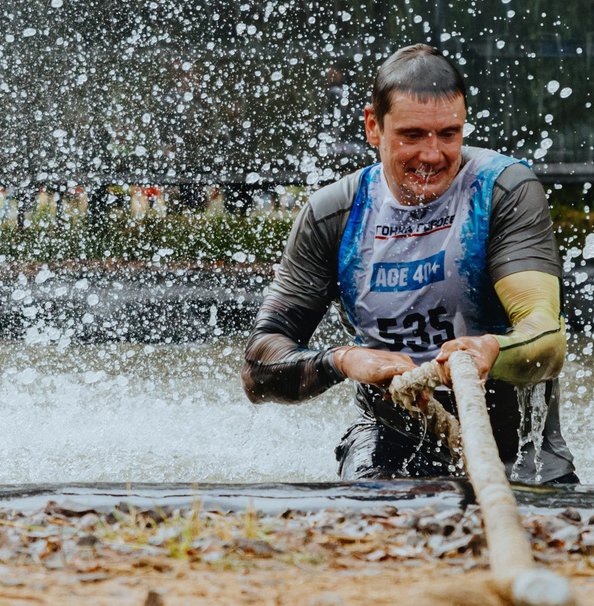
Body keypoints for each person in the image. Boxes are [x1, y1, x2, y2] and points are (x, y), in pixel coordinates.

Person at [242, 45, 576, 483]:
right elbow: (258, 369)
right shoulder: (333, 213)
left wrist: (490, 351)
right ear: (373, 127)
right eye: (412, 135)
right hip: (387, 438)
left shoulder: (503, 191)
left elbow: (547, 340)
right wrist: (343, 360)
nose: (433, 155)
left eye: (449, 134)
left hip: (516, 445)